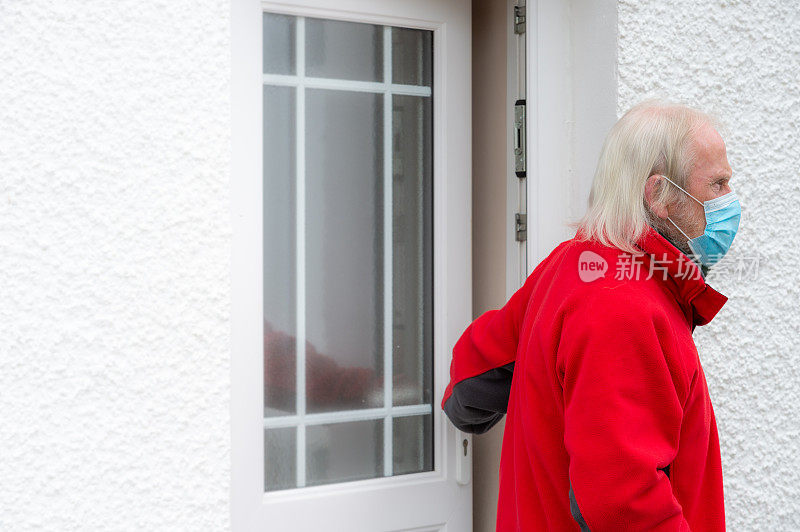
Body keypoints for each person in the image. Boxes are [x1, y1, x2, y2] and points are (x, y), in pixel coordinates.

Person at [441, 99, 741, 531]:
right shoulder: (625, 306)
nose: (730, 202)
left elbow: (475, 372)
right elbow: (624, 502)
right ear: (659, 196)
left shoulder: (575, 265)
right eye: (718, 184)